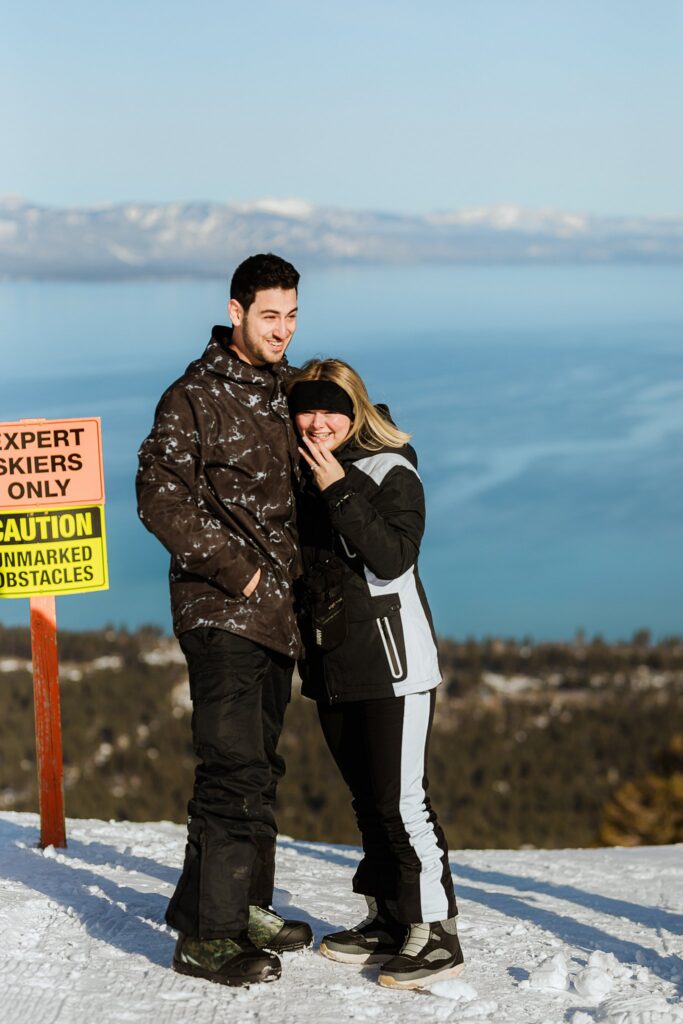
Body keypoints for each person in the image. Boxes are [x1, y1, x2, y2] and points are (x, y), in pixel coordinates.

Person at [136, 253, 312, 987]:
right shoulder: (193, 397)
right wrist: (237, 572)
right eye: (270, 315)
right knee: (231, 769)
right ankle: (208, 938)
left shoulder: (288, 391)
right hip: (222, 611)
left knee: (256, 766)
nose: (283, 329)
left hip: (279, 616)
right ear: (235, 312)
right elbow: (158, 497)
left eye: (292, 316)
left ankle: (236, 904)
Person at [288, 358, 463, 991]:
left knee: (401, 802)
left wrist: (338, 489)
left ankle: (436, 932)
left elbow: (392, 557)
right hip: (334, 664)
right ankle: (391, 918)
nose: (317, 420)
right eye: (306, 408)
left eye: (330, 408)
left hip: (394, 661)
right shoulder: (301, 468)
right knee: (369, 803)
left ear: (355, 407)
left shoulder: (391, 468)